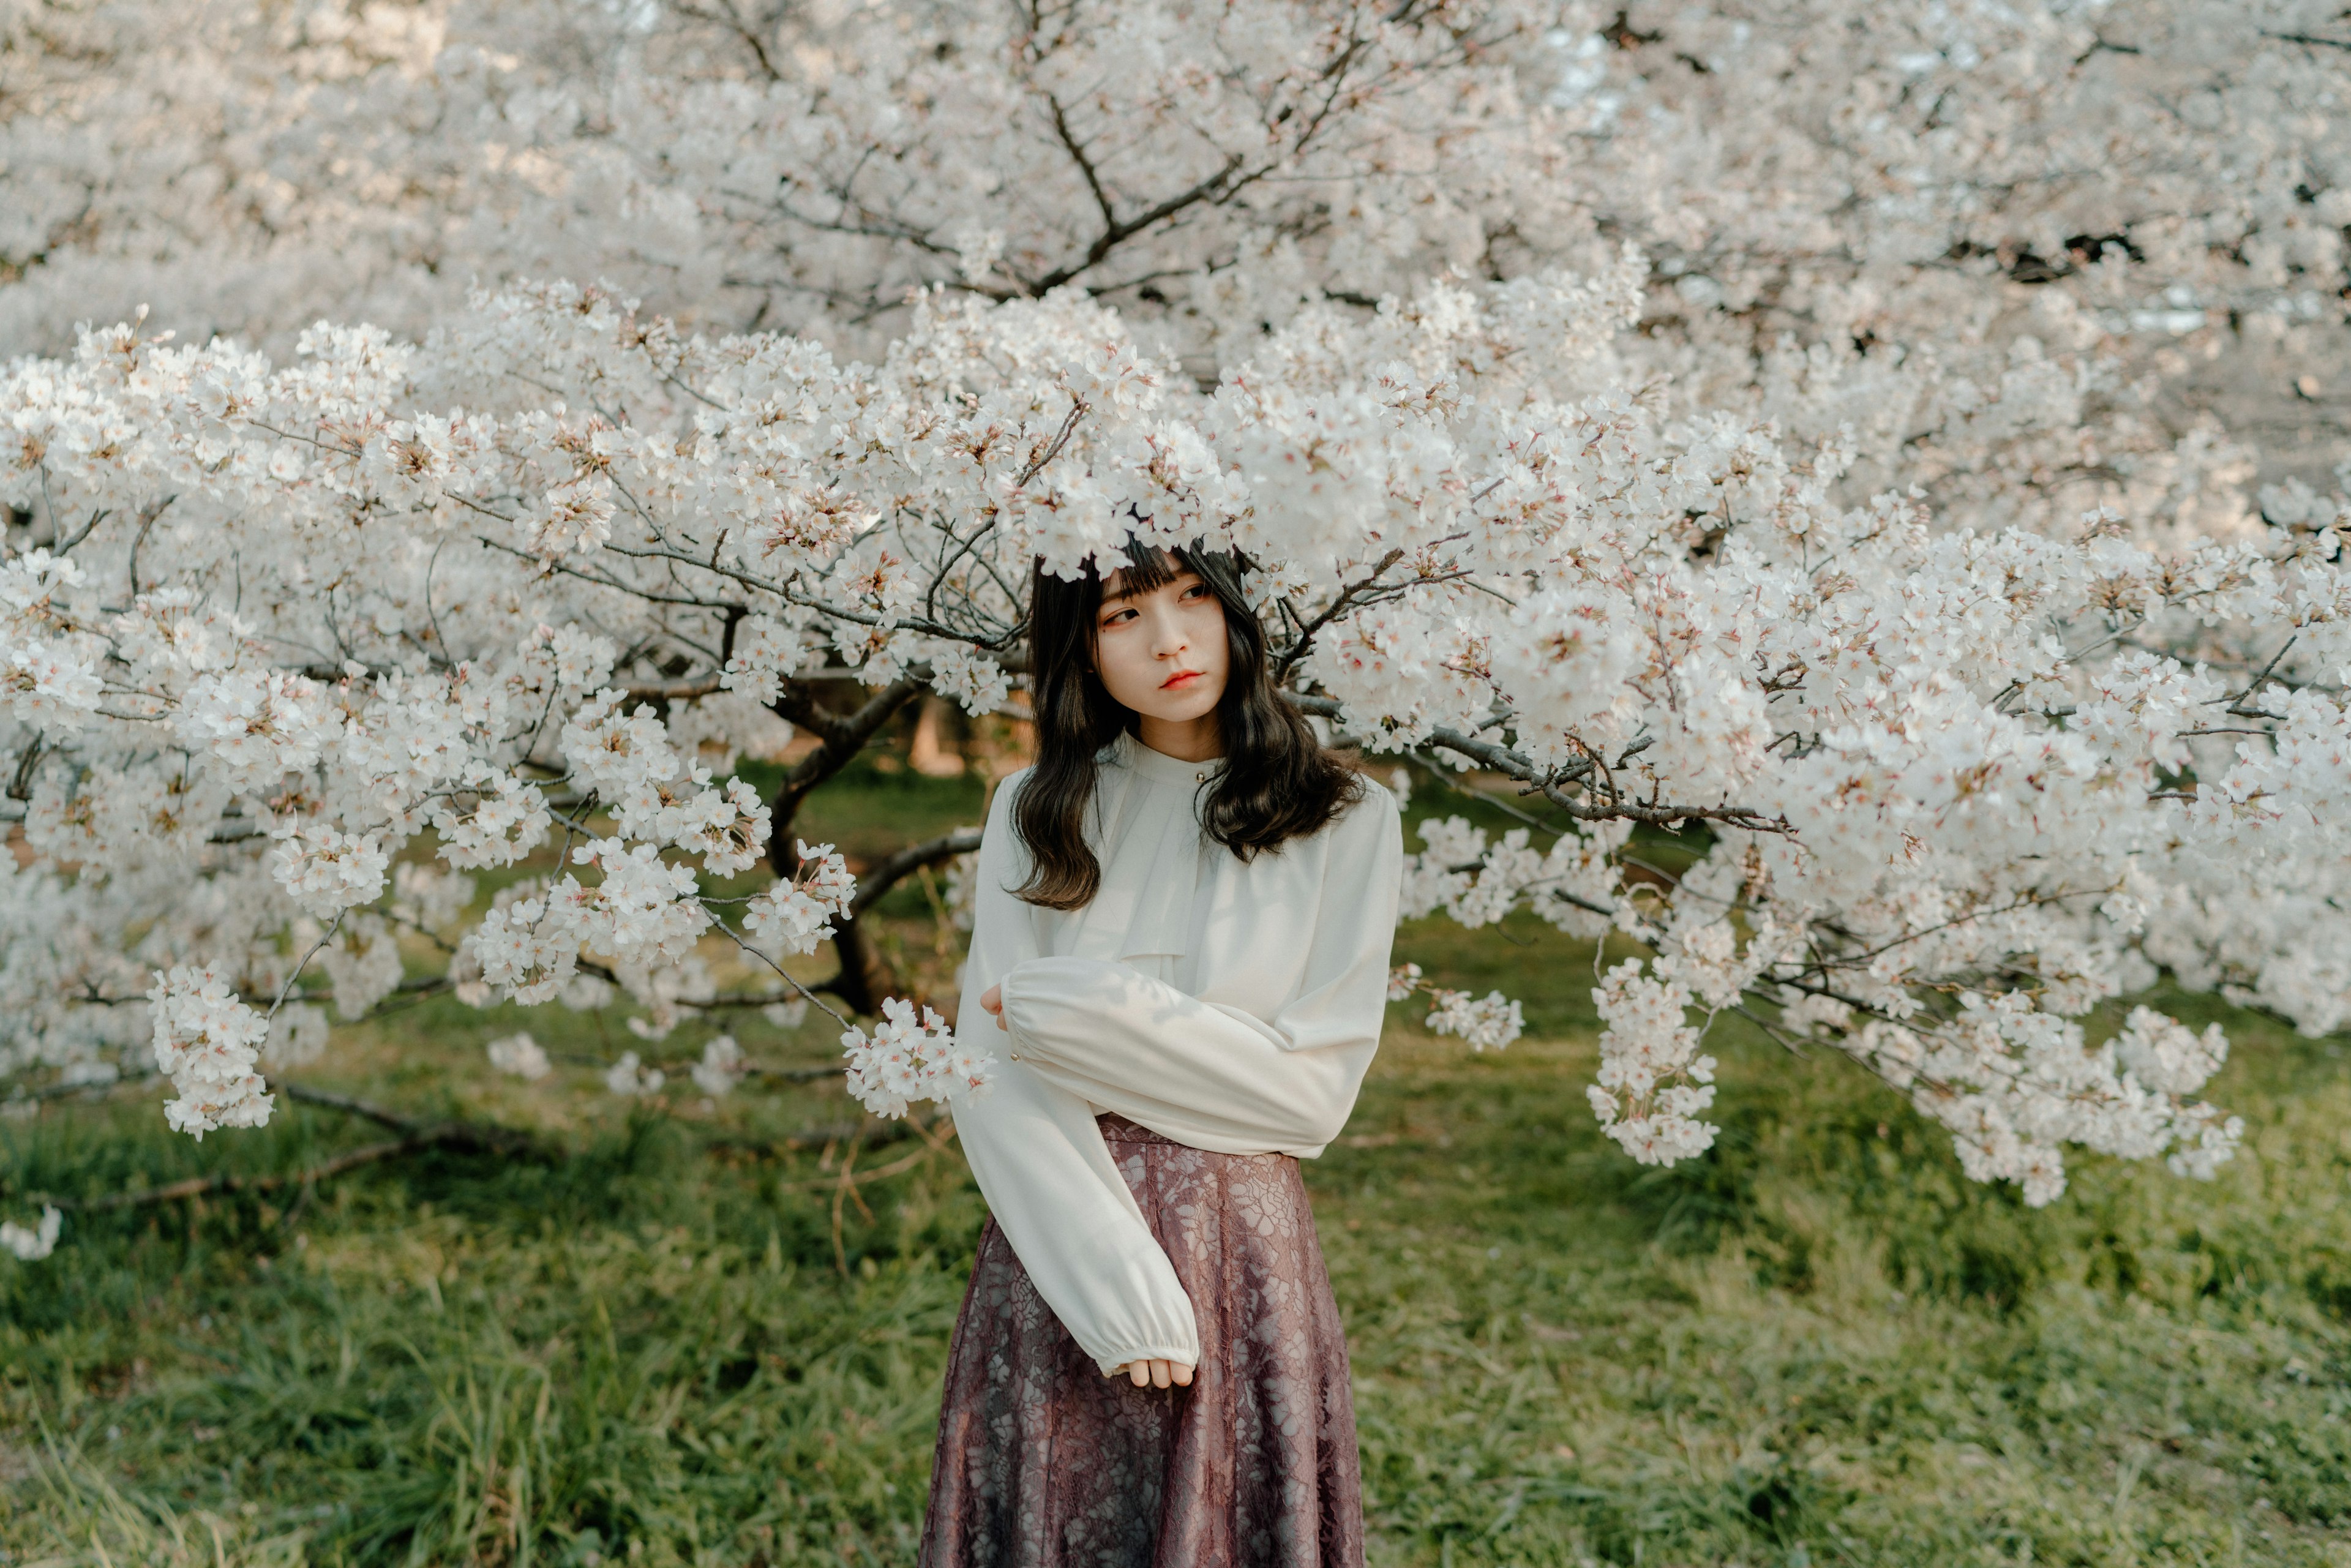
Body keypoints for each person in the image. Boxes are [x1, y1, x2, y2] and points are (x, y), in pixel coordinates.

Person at [917, 538, 1403, 1568]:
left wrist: (1084, 1010)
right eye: (1122, 614)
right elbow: (992, 1071)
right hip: (1059, 1239)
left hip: (1244, 1247)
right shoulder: (1037, 808)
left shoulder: (1346, 821)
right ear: (1081, 647)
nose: (1170, 640)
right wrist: (1113, 1284)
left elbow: (1310, 1095)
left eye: (1193, 597)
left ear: (1238, 605)